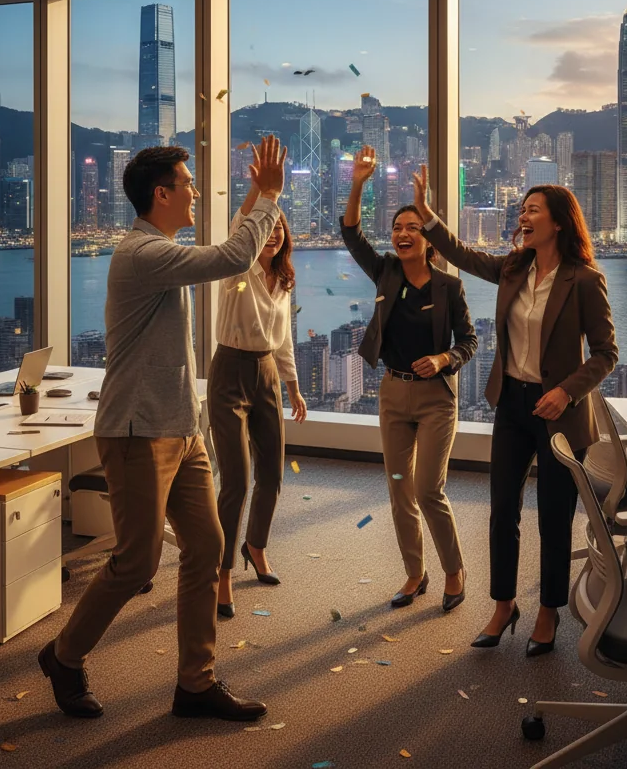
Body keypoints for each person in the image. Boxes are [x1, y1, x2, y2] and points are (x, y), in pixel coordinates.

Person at [38, 136, 287, 723]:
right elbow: (232, 257)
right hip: (136, 432)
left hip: (181, 427)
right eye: (188, 184)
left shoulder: (163, 249)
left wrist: (256, 195)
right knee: (137, 562)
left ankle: (195, 683)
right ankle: (64, 656)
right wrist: (268, 196)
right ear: (162, 194)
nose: (195, 192)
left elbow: (229, 248)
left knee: (206, 546)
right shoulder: (141, 254)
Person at [412, 168, 617, 654]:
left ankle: (548, 611)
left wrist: (566, 392)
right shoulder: (512, 268)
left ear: (558, 222)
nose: (523, 216)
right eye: (522, 209)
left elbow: (606, 353)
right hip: (512, 404)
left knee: (553, 517)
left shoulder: (585, 280)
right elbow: (462, 254)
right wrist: (426, 215)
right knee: (503, 510)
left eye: (533, 210)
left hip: (559, 412)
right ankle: (503, 605)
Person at [341, 145, 477, 612]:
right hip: (394, 395)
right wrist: (358, 183)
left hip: (437, 398)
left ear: (428, 238)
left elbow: (469, 342)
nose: (402, 233)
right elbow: (351, 234)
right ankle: (415, 574)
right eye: (398, 227)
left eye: (412, 227)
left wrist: (443, 359)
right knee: (400, 488)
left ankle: (454, 571)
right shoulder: (385, 273)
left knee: (427, 489)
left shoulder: (449, 287)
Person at [210, 183, 307, 617]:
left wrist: (293, 388)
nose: (272, 234)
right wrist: (259, 192)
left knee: (272, 474)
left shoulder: (284, 281)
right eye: (266, 228)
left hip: (266, 373)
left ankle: (256, 545)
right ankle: (223, 571)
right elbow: (239, 229)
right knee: (236, 480)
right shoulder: (238, 268)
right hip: (230, 372)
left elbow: (283, 341)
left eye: (278, 228)